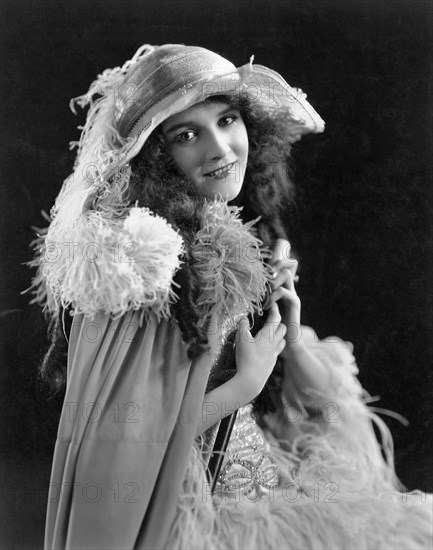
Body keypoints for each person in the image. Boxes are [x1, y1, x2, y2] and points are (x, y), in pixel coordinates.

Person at [29, 44, 432, 550]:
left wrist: (284, 331)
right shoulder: (146, 262)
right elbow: (129, 444)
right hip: (184, 520)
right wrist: (244, 384)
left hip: (260, 488)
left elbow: (296, 414)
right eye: (187, 135)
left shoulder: (229, 239)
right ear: (157, 157)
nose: (219, 148)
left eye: (228, 119)